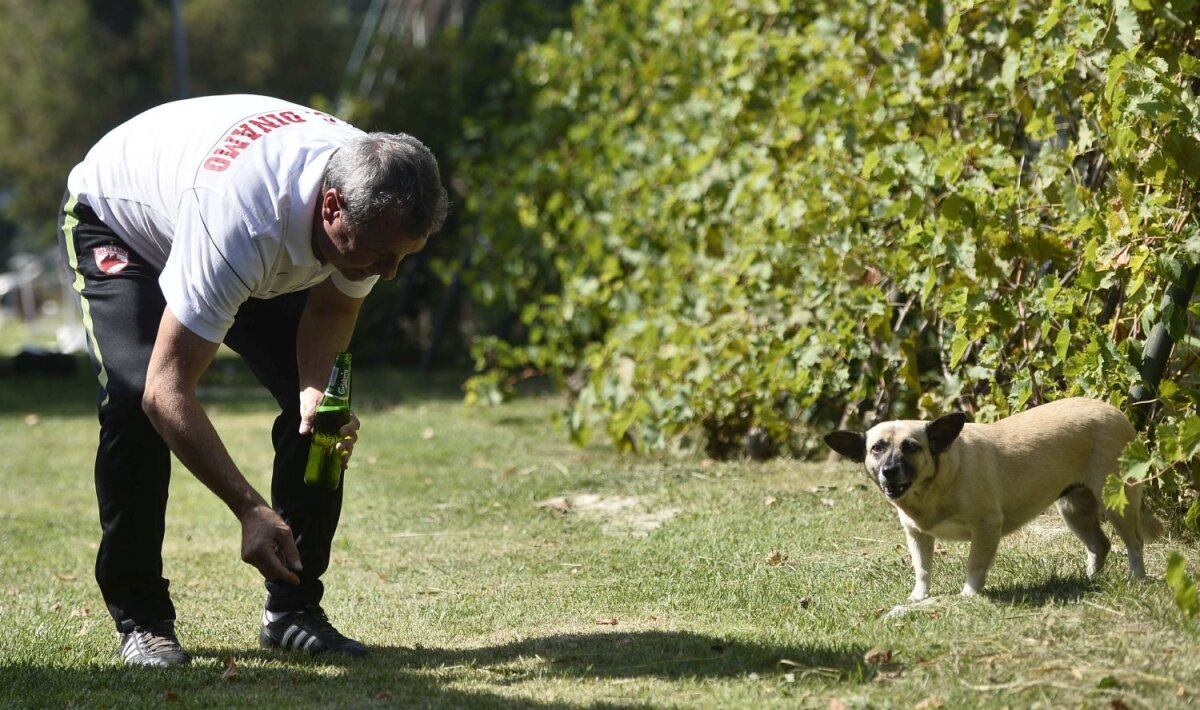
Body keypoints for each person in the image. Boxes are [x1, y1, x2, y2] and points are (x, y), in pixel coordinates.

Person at [57, 94, 449, 667]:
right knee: (131, 399)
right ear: (332, 206)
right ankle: (142, 618)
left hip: (237, 233)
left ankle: (292, 611)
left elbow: (331, 314)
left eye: (402, 258)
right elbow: (167, 393)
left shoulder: (376, 192)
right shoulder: (244, 219)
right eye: (379, 256)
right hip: (121, 224)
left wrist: (314, 397)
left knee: (323, 416)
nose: (388, 273)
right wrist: (249, 509)